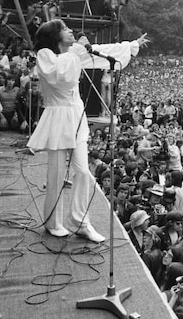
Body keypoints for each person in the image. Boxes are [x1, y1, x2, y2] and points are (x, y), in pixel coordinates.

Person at [26, 20, 148, 240]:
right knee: (56, 173)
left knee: (83, 171)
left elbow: (101, 52)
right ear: (55, 36)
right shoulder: (45, 54)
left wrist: (130, 45)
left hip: (76, 117)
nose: (71, 31)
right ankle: (53, 222)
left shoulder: (73, 52)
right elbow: (59, 77)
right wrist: (77, 52)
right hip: (58, 116)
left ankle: (81, 221)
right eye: (65, 29)